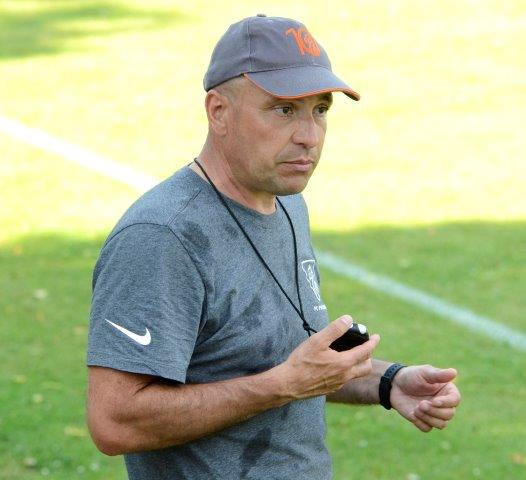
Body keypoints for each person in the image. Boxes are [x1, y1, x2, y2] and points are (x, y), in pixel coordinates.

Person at [86, 14, 461, 480]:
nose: (309, 136)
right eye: (284, 110)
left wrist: (388, 382)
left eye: (320, 110)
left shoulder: (285, 204)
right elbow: (114, 422)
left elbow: (287, 363)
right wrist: (281, 386)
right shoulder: (163, 237)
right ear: (218, 111)